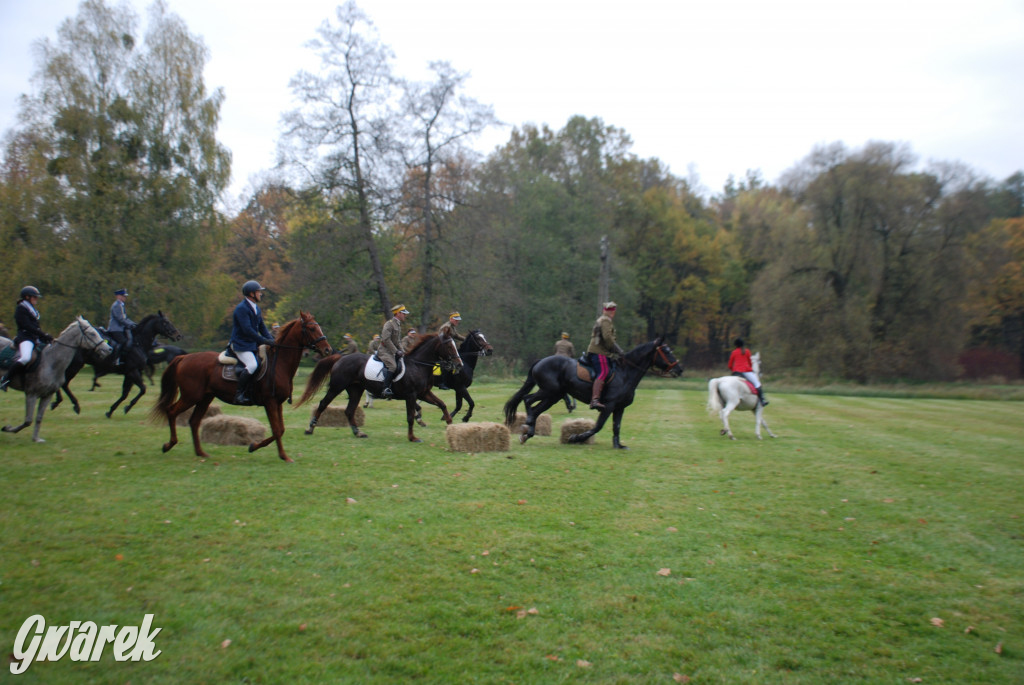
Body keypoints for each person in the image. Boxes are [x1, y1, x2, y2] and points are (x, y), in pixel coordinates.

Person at [229, 280, 275, 405]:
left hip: (251, 345)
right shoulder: (241, 309)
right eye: (259, 292)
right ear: (251, 294)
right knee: (252, 365)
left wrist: (272, 340)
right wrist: (263, 340)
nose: (261, 294)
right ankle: (239, 394)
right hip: (241, 345)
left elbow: (262, 328)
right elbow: (247, 330)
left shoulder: (256, 308)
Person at [1, 286, 52, 391]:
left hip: (34, 338)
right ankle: (5, 379)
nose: (36, 299)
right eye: (34, 297)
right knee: (25, 358)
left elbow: (36, 327)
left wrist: (45, 337)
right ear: (27, 297)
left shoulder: (32, 310)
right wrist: (43, 335)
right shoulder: (21, 308)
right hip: (25, 338)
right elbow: (27, 326)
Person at [586, 302, 624, 410]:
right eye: (612, 311)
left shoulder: (603, 319)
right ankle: (595, 400)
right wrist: (617, 350)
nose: (612, 313)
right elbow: (607, 338)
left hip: (601, 351)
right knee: (604, 371)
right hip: (599, 352)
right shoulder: (605, 320)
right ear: (612, 312)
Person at [378, 304, 408, 398]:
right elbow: (386, 340)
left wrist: (403, 351)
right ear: (398, 313)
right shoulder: (389, 324)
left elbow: (398, 341)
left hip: (392, 351)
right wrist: (396, 351)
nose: (405, 315)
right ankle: (385, 388)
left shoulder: (398, 325)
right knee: (393, 366)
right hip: (385, 351)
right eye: (403, 313)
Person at [728, 338, 768, 406]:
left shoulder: (734, 352)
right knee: (757, 383)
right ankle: (762, 400)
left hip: (736, 372)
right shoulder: (746, 351)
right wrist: (750, 369)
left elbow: (729, 365)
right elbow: (750, 363)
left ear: (736, 345)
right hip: (746, 371)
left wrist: (733, 370)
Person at [107, 288, 137, 366]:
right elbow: (121, 319)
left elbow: (125, 318)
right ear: (118, 296)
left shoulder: (121, 305)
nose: (125, 298)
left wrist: (134, 324)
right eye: (123, 296)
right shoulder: (117, 305)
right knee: (123, 342)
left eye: (125, 296)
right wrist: (130, 325)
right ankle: (116, 359)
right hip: (116, 329)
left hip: (120, 328)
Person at [554, 332, 577, 412]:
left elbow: (555, 350)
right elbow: (573, 354)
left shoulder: (557, 343)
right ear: (567, 337)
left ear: (562, 337)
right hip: (565, 362)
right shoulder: (570, 344)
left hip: (555, 361)